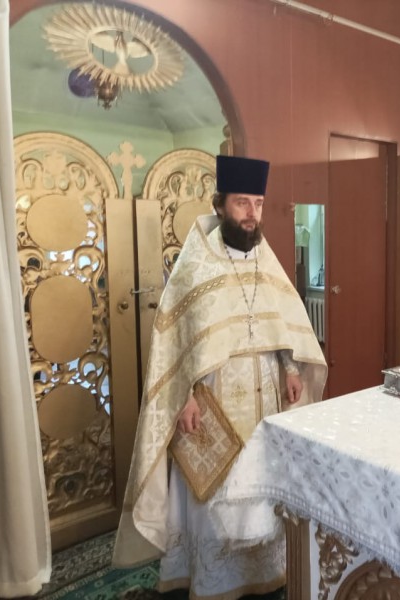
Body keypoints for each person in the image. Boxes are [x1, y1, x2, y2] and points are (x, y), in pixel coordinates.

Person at [113, 155, 327, 599]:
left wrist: (290, 368)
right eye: (242, 203)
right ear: (220, 205)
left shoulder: (265, 260)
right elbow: (176, 344)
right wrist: (184, 397)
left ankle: (265, 573)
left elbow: (282, 325)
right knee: (214, 493)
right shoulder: (196, 264)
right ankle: (212, 580)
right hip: (213, 403)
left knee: (262, 487)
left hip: (265, 400)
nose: (252, 214)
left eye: (258, 203)